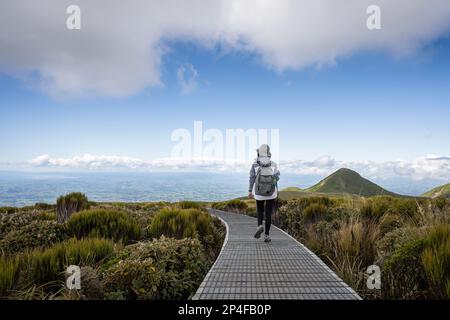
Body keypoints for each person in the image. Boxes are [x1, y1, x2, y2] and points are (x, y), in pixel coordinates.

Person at [248, 144, 280, 243]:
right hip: (271, 193)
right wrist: (274, 182)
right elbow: (277, 178)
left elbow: (252, 178)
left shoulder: (255, 165)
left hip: (258, 192)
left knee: (260, 210)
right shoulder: (274, 164)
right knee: (268, 213)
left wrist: (250, 190)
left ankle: (259, 226)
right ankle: (266, 236)